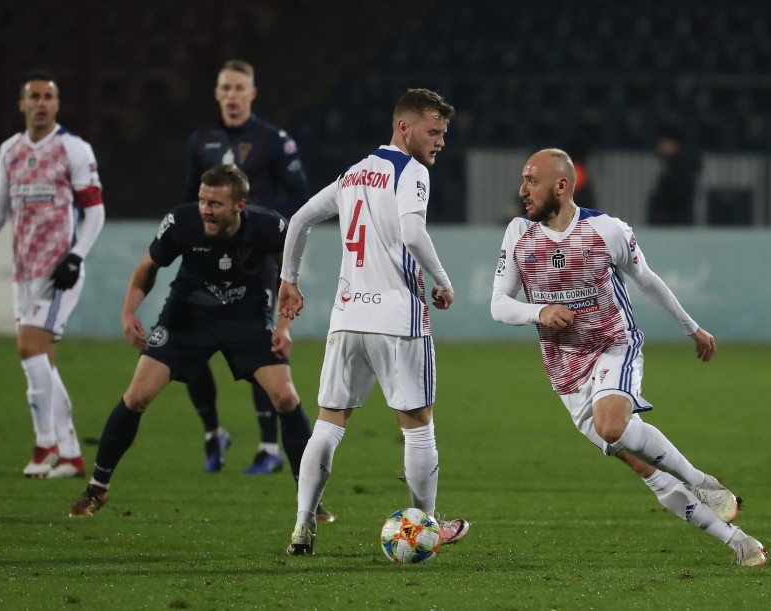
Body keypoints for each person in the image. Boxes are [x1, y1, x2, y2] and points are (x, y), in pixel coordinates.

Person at [490, 148, 767, 567]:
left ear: (561, 186)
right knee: (644, 469)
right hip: (565, 374)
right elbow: (498, 304)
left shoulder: (606, 230)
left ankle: (699, 480)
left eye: (531, 180)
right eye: (523, 179)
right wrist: (540, 311)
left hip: (612, 346)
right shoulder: (518, 233)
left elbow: (648, 280)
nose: (522, 190)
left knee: (613, 425)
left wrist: (691, 327)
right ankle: (738, 541)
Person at [67, 164, 330, 520]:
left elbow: (289, 282)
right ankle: (97, 488)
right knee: (137, 396)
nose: (205, 209)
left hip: (247, 320)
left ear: (239, 205)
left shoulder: (270, 227)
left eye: (215, 204)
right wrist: (129, 312)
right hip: (186, 319)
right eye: (203, 200)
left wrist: (283, 327)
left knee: (286, 397)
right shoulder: (182, 222)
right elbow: (147, 267)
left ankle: (309, 501)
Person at [278, 88, 470, 556]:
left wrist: (288, 280)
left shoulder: (353, 173)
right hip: (398, 318)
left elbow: (299, 219)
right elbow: (411, 231)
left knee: (328, 423)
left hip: (346, 317)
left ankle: (303, 524)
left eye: (444, 132)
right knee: (418, 425)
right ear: (404, 127)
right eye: (433, 131)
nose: (440, 141)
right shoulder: (412, 171)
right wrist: (442, 280)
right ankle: (427, 525)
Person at [0, 70, 105, 479]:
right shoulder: (10, 151)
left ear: (57, 105)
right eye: (34, 96)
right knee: (41, 360)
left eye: (48, 97)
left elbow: (94, 211)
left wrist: (75, 256)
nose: (41, 103)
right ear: (21, 104)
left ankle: (45, 447)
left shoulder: (73, 149)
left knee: (28, 347)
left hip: (58, 271)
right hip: (22, 273)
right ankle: (72, 455)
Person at [181, 59, 312, 477]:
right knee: (189, 345)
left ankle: (268, 446)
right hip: (206, 259)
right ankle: (212, 432)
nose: (233, 95)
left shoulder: (274, 141)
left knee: (260, 344)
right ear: (217, 93)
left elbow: (301, 198)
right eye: (226, 88)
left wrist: (269, 231)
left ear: (252, 94)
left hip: (256, 261)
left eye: (240, 88)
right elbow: (187, 200)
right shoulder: (200, 141)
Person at [646, 123, 701, 225]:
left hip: (676, 219)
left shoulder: (682, 165)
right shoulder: (670, 164)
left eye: (663, 142)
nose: (659, 146)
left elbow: (678, 194)